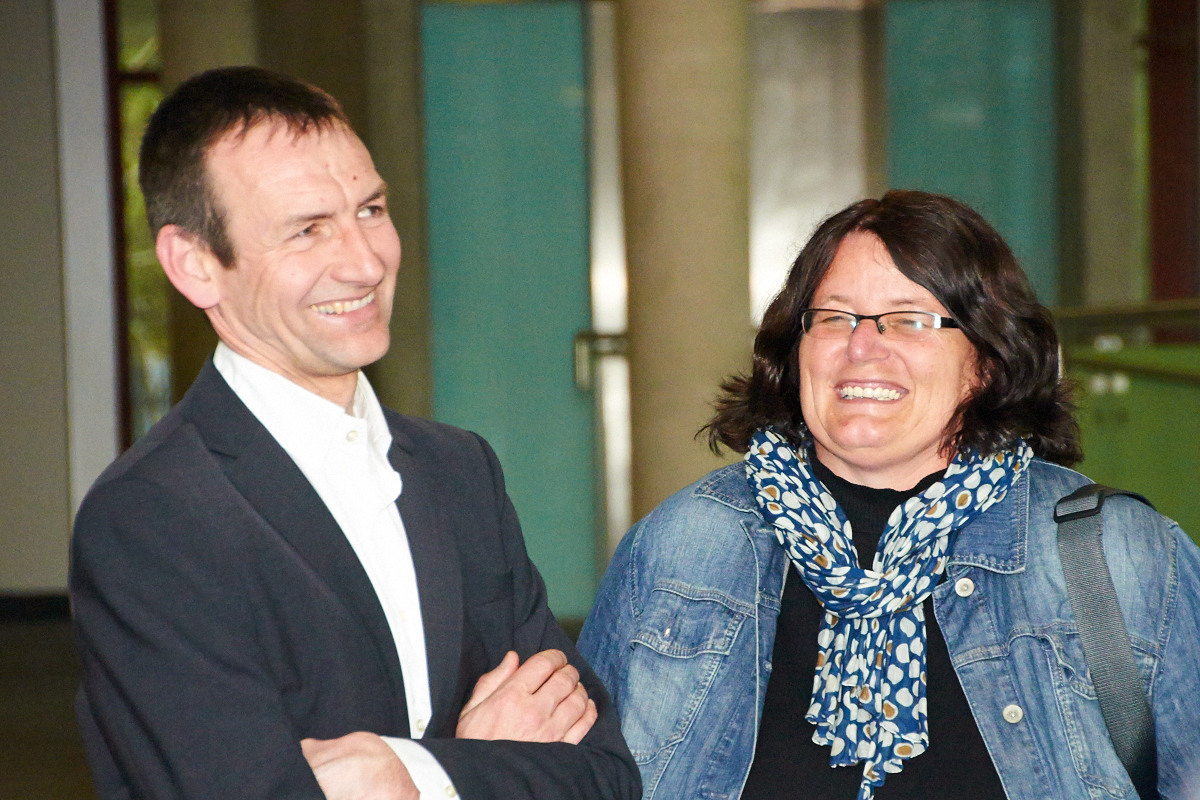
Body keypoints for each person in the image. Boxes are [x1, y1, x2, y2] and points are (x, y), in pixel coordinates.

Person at [70, 66, 639, 800]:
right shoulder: (152, 519)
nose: (366, 262)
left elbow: (605, 775)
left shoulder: (459, 470)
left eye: (370, 209)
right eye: (308, 229)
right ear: (196, 264)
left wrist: (414, 775)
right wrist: (479, 766)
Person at [578, 190, 1200, 800]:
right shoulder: (684, 548)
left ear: (986, 361)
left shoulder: (1118, 555)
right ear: (796, 351)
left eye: (909, 320)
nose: (862, 346)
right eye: (833, 317)